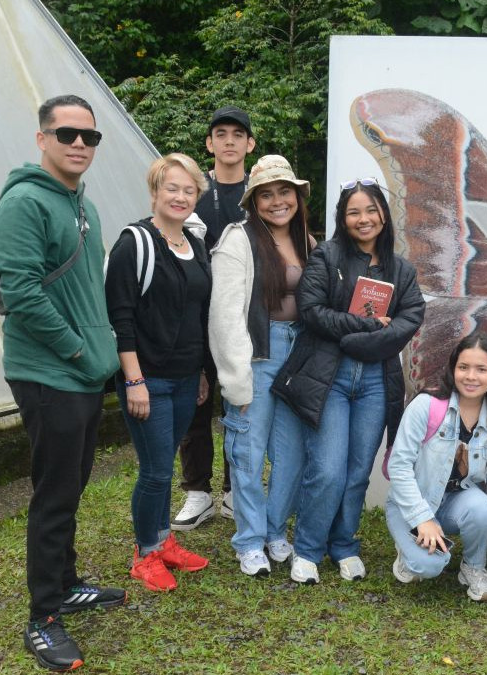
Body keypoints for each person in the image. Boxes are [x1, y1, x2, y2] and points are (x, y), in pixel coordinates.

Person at [0, 94, 124, 671]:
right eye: (67, 134)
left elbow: (84, 290)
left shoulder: (80, 204)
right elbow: (19, 293)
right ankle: (43, 617)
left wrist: (98, 354)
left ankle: (66, 584)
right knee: (53, 494)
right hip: (49, 372)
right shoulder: (24, 202)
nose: (79, 144)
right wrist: (75, 348)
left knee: (72, 486)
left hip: (84, 372)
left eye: (89, 138)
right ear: (42, 138)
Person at [273, 177, 425, 584]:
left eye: (371, 210)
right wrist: (366, 328)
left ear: (383, 215)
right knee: (327, 469)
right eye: (354, 211)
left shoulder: (401, 269)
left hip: (376, 380)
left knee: (359, 471)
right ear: (342, 217)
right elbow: (311, 310)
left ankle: (343, 545)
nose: (364, 219)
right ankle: (307, 548)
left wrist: (362, 341)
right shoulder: (327, 256)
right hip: (331, 378)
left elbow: (410, 318)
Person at [105, 153, 212, 593]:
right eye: (172, 188)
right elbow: (121, 316)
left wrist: (203, 372)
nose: (181, 197)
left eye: (189, 191)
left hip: (188, 377)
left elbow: (199, 313)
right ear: (155, 191)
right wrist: (134, 379)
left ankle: (163, 541)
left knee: (164, 465)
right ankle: (145, 553)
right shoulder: (135, 242)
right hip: (149, 379)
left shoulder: (195, 243)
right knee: (154, 471)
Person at [210, 155, 314, 576]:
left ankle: (274, 531)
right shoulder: (238, 239)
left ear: (297, 196)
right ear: (254, 201)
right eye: (266, 194)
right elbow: (224, 315)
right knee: (248, 455)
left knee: (291, 455)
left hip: (299, 357)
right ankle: (249, 540)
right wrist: (236, 380)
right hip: (258, 353)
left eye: (284, 191)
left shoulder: (310, 242)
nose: (277, 201)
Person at [385, 333, 487, 601]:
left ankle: (473, 567)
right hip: (411, 504)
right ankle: (408, 551)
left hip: (454, 502)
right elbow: (399, 467)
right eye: (464, 367)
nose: (471, 376)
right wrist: (422, 518)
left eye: (481, 369)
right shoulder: (426, 406)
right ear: (453, 369)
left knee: (484, 508)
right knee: (429, 566)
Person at [172, 106, 257, 530]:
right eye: (220, 134)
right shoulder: (194, 195)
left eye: (237, 134)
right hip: (195, 316)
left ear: (249, 144)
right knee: (195, 403)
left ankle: (232, 491)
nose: (228, 141)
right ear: (209, 143)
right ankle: (198, 492)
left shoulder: (260, 194)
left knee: (239, 404)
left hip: (244, 319)